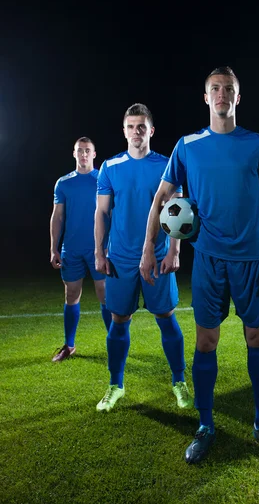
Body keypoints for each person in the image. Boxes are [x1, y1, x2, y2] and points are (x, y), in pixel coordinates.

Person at [140, 67, 259, 464]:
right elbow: (162, 200)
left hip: (252, 259)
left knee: (256, 338)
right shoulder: (187, 146)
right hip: (207, 260)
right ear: (205, 98)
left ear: (238, 98)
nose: (221, 94)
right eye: (214, 89)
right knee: (206, 341)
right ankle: (205, 426)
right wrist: (148, 248)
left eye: (229, 89)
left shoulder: (258, 145)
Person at [94, 103, 193, 412]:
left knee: (166, 317)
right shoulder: (110, 167)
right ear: (124, 131)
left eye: (141, 126)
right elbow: (101, 212)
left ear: (151, 130)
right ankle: (115, 385)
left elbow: (178, 211)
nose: (136, 132)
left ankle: (179, 382)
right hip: (121, 258)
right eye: (130, 126)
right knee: (119, 320)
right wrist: (99, 252)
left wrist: (175, 250)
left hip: (159, 255)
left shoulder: (167, 166)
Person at [50, 137, 109, 362]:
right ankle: (69, 345)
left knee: (104, 295)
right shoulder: (63, 183)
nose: (83, 154)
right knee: (71, 294)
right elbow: (58, 216)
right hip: (71, 249)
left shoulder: (103, 179)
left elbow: (111, 213)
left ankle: (114, 341)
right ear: (74, 154)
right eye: (80, 151)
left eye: (87, 151)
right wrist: (54, 247)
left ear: (94, 154)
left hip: (99, 248)